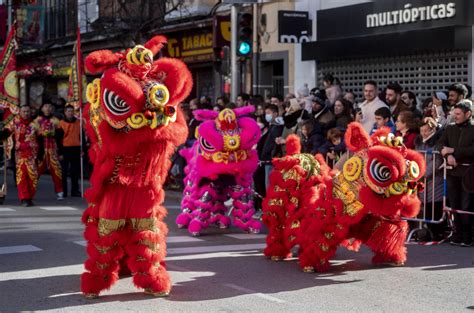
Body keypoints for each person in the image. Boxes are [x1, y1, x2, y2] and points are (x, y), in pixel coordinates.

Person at [437, 100, 474, 247]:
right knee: (454, 204)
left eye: (458, 114)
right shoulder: (450, 128)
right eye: (454, 113)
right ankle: (457, 234)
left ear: (468, 114)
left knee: (466, 206)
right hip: (452, 173)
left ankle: (468, 236)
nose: (455, 116)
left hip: (469, 174)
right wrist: (447, 156)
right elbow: (440, 144)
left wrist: (454, 151)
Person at [0, 105, 40, 206]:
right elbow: (6, 132)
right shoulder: (15, 123)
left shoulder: (35, 124)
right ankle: (24, 198)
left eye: (28, 111)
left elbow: (41, 139)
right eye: (24, 111)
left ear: (30, 112)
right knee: (21, 176)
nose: (26, 113)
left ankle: (30, 197)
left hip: (33, 155)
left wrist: (41, 154)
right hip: (20, 154)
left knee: (33, 177)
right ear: (20, 112)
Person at [415, 117, 445, 241]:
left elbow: (436, 162)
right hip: (422, 181)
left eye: (426, 131)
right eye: (422, 131)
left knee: (435, 207)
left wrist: (422, 174)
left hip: (434, 181)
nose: (424, 134)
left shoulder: (438, 143)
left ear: (433, 129)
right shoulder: (419, 143)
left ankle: (437, 233)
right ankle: (426, 232)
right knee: (424, 208)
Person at [36, 102, 64, 200]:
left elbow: (61, 136)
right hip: (41, 150)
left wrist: (53, 135)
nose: (48, 108)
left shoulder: (56, 121)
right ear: (42, 108)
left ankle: (60, 192)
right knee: (35, 172)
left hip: (53, 150)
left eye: (50, 106)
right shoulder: (37, 121)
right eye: (46, 106)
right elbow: (32, 135)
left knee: (57, 171)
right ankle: (30, 192)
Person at [58, 105, 81, 197]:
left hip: (76, 148)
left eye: (72, 111)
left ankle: (75, 190)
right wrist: (60, 152)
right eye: (68, 111)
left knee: (75, 171)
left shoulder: (78, 122)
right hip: (65, 149)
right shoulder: (61, 123)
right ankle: (64, 190)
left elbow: (81, 137)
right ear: (65, 112)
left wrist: (82, 149)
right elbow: (59, 139)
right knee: (63, 172)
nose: (70, 113)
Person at [260, 104, 284, 189]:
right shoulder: (271, 126)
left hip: (271, 160)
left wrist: (271, 155)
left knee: (270, 186)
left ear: (275, 113)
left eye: (268, 113)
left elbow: (273, 144)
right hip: (266, 159)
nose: (267, 115)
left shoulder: (278, 126)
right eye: (266, 113)